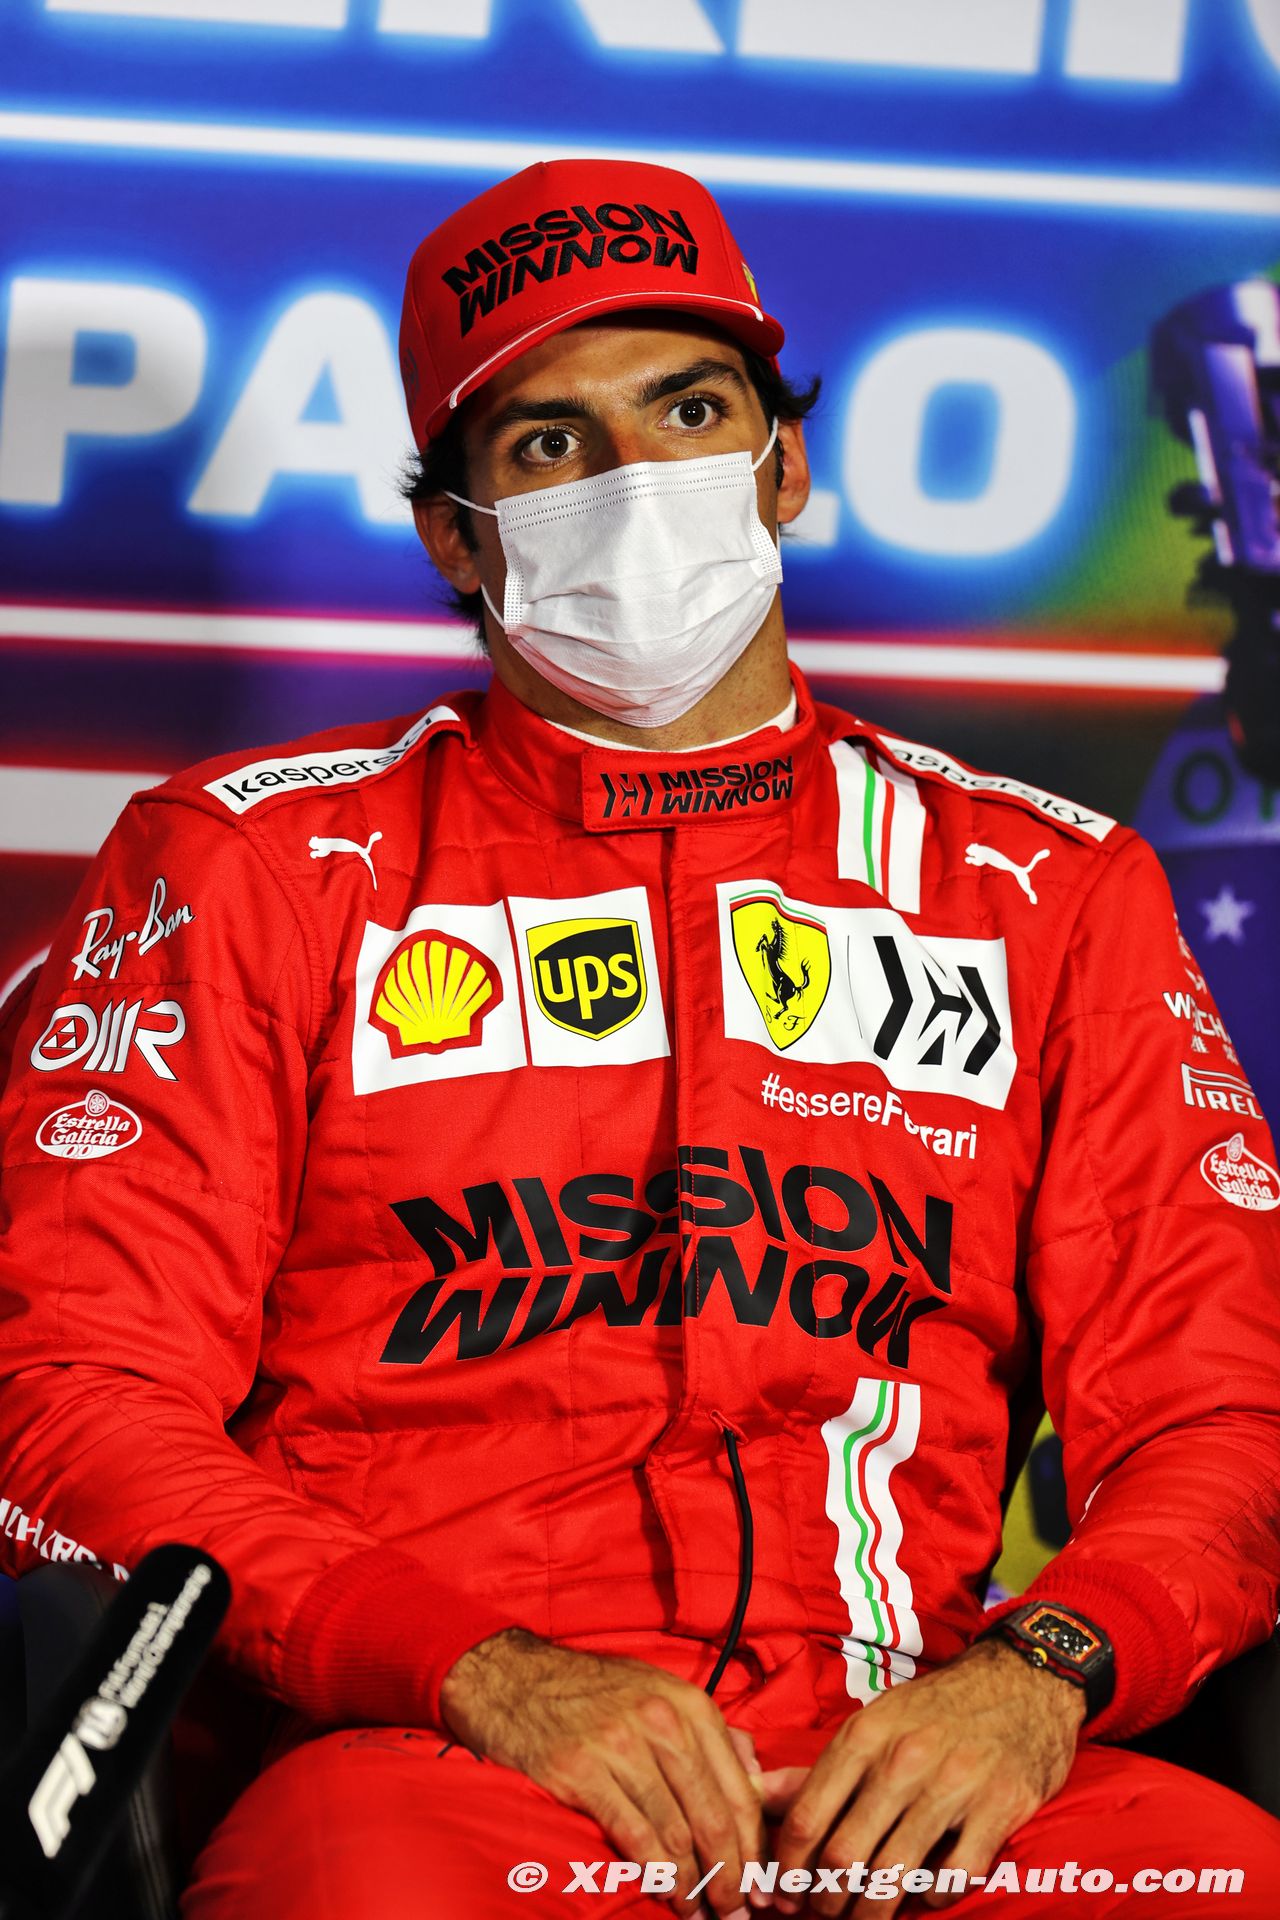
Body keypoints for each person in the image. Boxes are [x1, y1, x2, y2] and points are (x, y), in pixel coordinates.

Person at [1, 158, 1279, 1920]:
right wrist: (473, 1669)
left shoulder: (1048, 893)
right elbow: (66, 1397)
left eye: (690, 411)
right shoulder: (254, 866)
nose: (635, 480)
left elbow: (1228, 1412)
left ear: (784, 464)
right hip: (441, 1757)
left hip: (921, 1755)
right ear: (456, 535)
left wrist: (1041, 1672)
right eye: (549, 443)